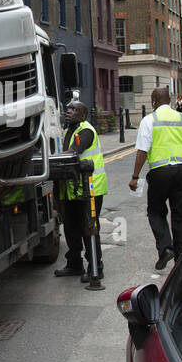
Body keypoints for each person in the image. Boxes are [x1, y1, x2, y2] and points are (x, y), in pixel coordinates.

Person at [129, 87, 182, 270]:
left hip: (160, 172)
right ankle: (181, 257)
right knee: (180, 215)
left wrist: (135, 176)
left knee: (156, 212)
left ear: (153, 101)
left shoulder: (150, 120)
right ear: (170, 100)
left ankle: (166, 248)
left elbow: (142, 150)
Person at [53, 101, 107, 281]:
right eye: (68, 108)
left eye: (74, 109)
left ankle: (96, 268)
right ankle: (74, 265)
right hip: (73, 189)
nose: (69, 111)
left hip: (89, 189)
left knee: (89, 228)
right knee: (71, 228)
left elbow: (71, 154)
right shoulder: (69, 130)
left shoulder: (85, 130)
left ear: (83, 115)